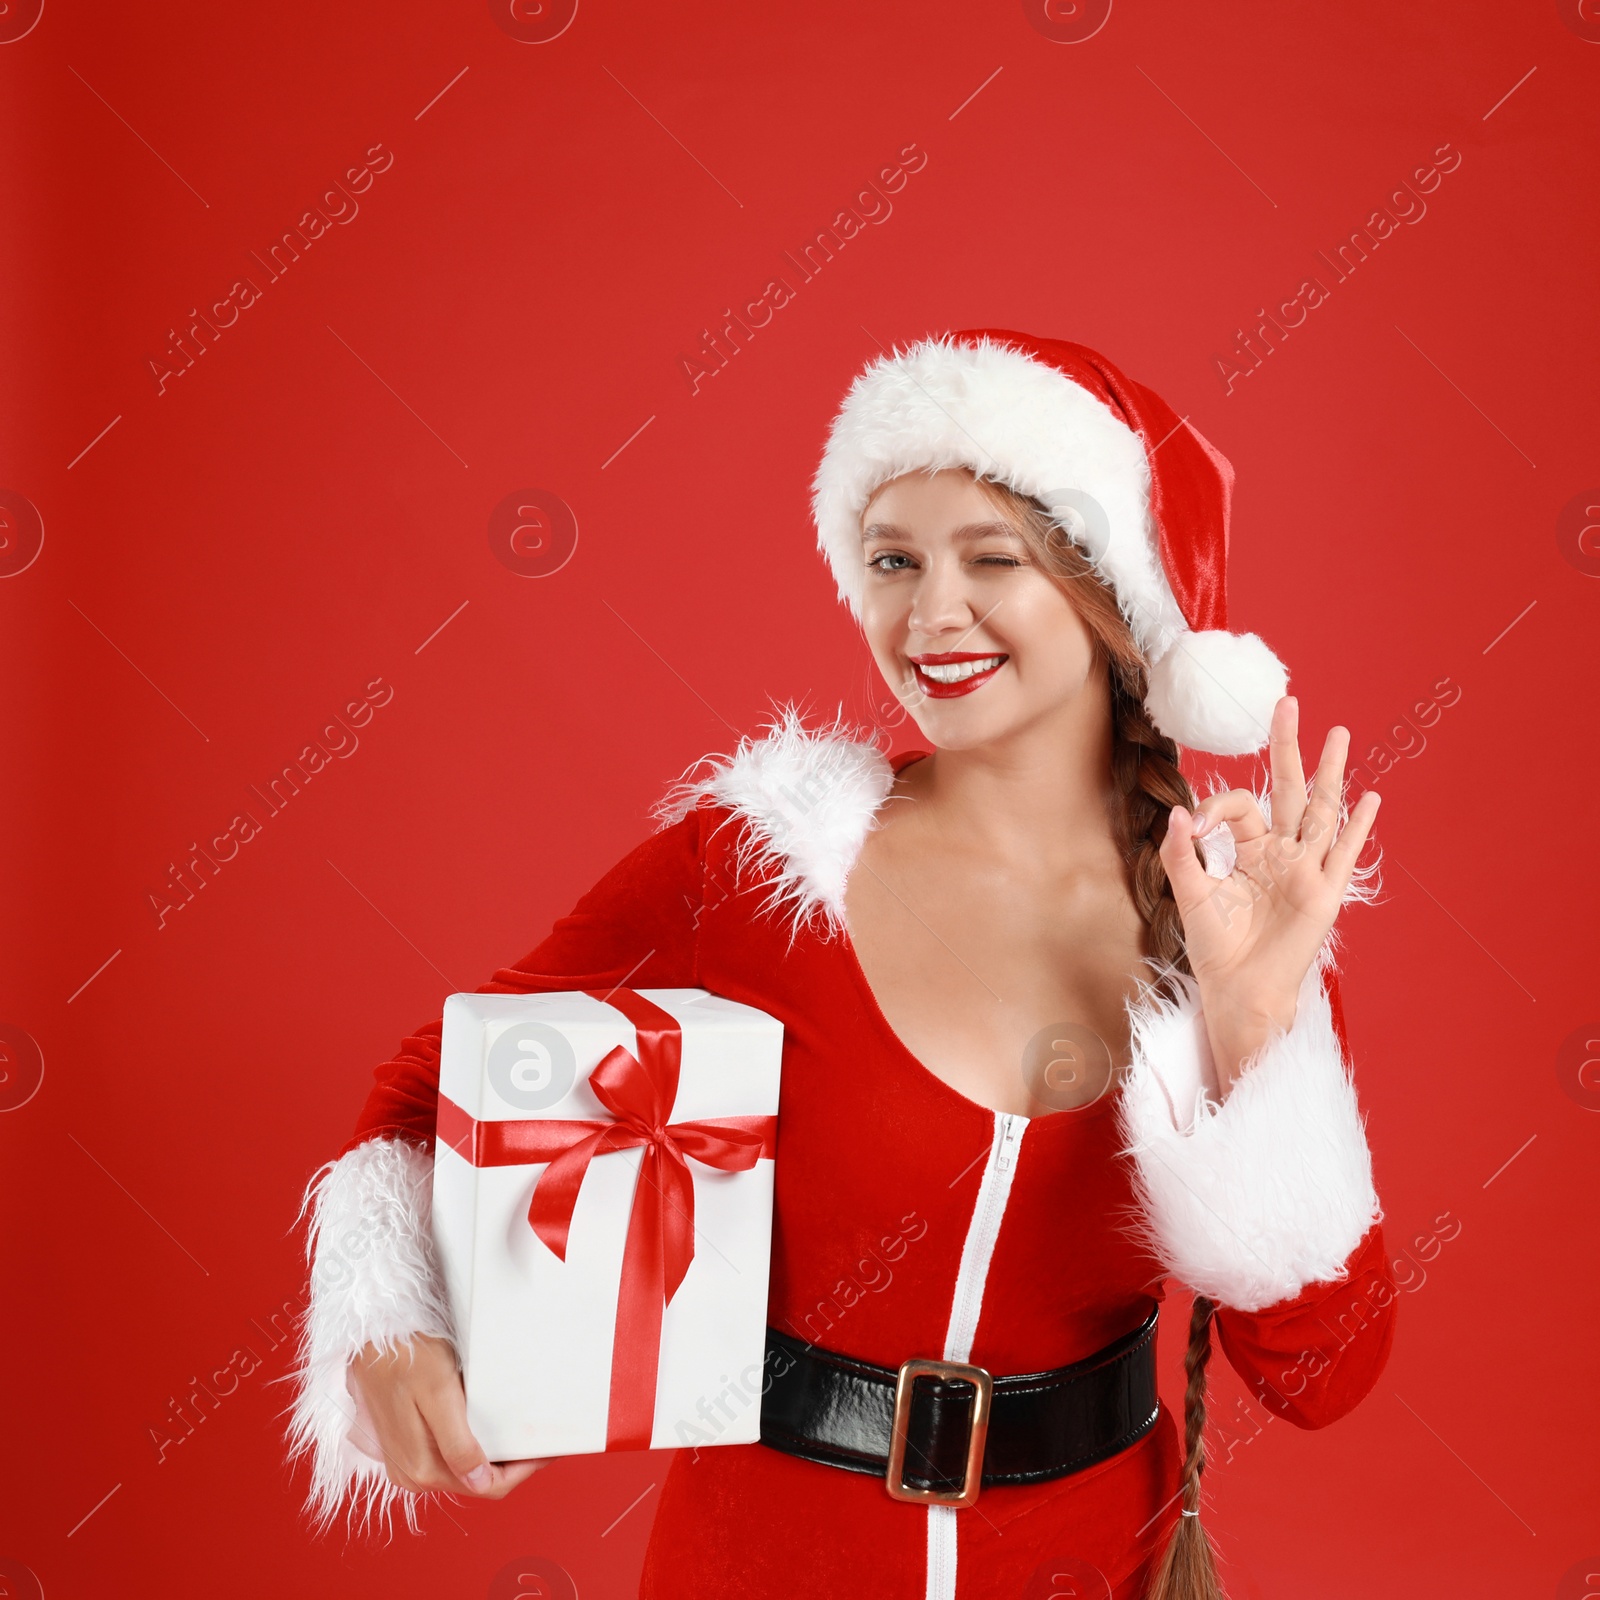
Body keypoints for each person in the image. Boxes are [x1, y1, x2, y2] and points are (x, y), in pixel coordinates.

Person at [288, 330, 1397, 1600]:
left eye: (992, 558)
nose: (931, 613)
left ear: (1110, 592)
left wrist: (1256, 1025)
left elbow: (1323, 1377)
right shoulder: (755, 869)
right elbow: (433, 1086)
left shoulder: (1225, 919)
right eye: (892, 560)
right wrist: (389, 1316)